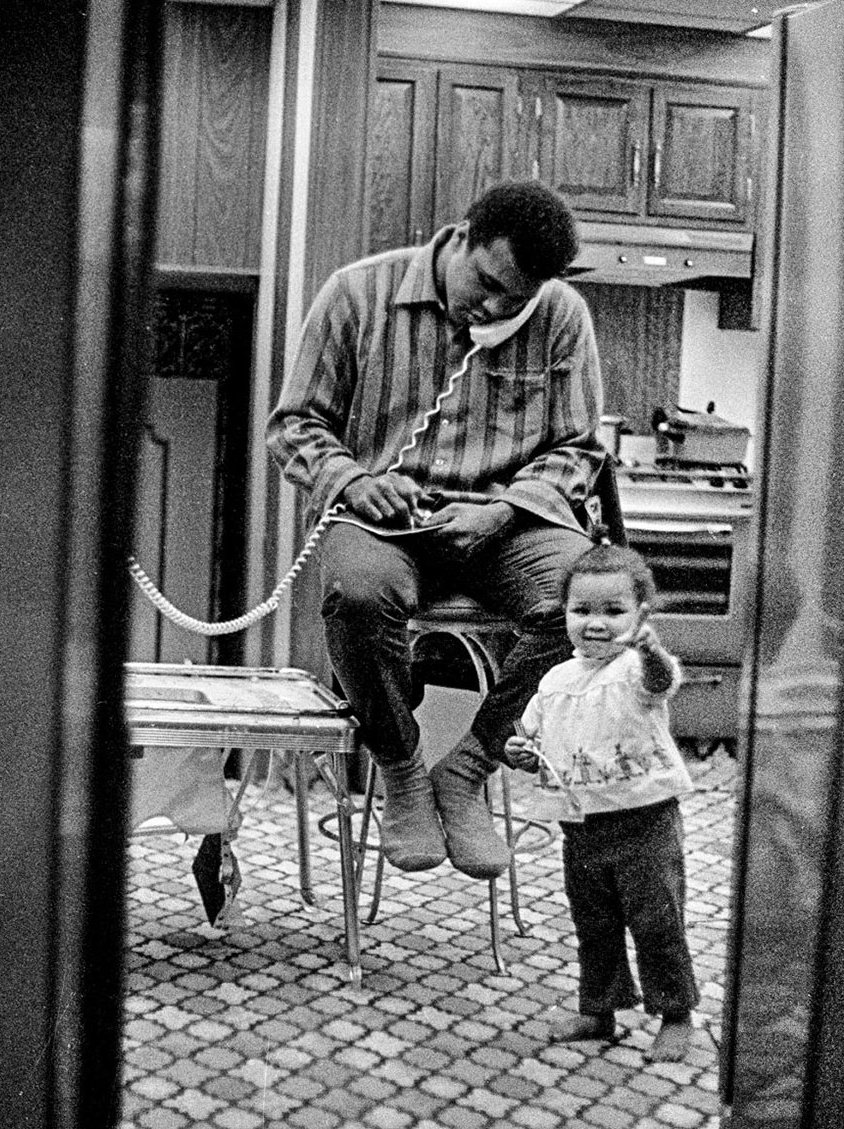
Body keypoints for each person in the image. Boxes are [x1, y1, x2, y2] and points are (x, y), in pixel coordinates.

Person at [267, 180, 605, 881]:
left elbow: (577, 447)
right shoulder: (358, 293)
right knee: (359, 595)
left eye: (516, 301)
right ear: (463, 236)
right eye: (486, 284)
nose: (494, 308)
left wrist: (506, 509)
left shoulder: (563, 317)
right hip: (383, 518)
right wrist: (356, 481)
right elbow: (294, 426)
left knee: (587, 596)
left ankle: (469, 768)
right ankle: (402, 767)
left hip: (506, 522)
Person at [504, 528, 699, 1062]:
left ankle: (675, 1011)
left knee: (658, 920)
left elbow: (661, 683)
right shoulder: (555, 679)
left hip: (645, 820)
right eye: (580, 609)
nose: (594, 622)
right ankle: (599, 1009)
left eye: (613, 610)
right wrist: (517, 750)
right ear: (564, 611)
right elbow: (527, 735)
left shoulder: (634, 668)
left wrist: (651, 650)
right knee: (593, 922)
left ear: (640, 615)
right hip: (582, 824)